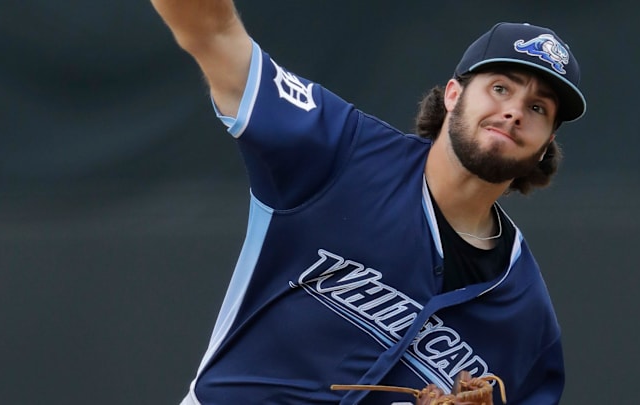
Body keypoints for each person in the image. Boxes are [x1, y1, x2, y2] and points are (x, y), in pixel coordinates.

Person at [149, 1, 586, 404]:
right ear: (453, 94)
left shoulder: (528, 320)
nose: (514, 111)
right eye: (500, 88)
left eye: (538, 108)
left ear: (547, 144)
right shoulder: (339, 151)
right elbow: (216, 33)